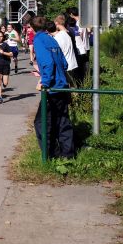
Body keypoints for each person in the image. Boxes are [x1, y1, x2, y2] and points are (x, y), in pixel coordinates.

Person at [31, 16, 74, 159]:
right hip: (62, 85)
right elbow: (64, 63)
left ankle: (50, 156)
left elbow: (48, 63)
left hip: (52, 88)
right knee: (62, 121)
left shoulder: (39, 39)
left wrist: (45, 82)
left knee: (41, 123)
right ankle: (68, 155)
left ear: (32, 28)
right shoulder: (52, 39)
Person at [53, 15, 79, 85]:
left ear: (56, 23)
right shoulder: (69, 31)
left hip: (67, 64)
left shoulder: (60, 35)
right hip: (73, 61)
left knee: (68, 85)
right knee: (72, 83)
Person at [67, 7, 90, 83]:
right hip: (86, 46)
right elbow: (89, 31)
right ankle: (86, 82)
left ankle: (82, 84)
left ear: (71, 14)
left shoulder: (78, 23)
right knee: (85, 67)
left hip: (80, 48)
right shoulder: (83, 21)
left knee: (81, 69)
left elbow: (79, 34)